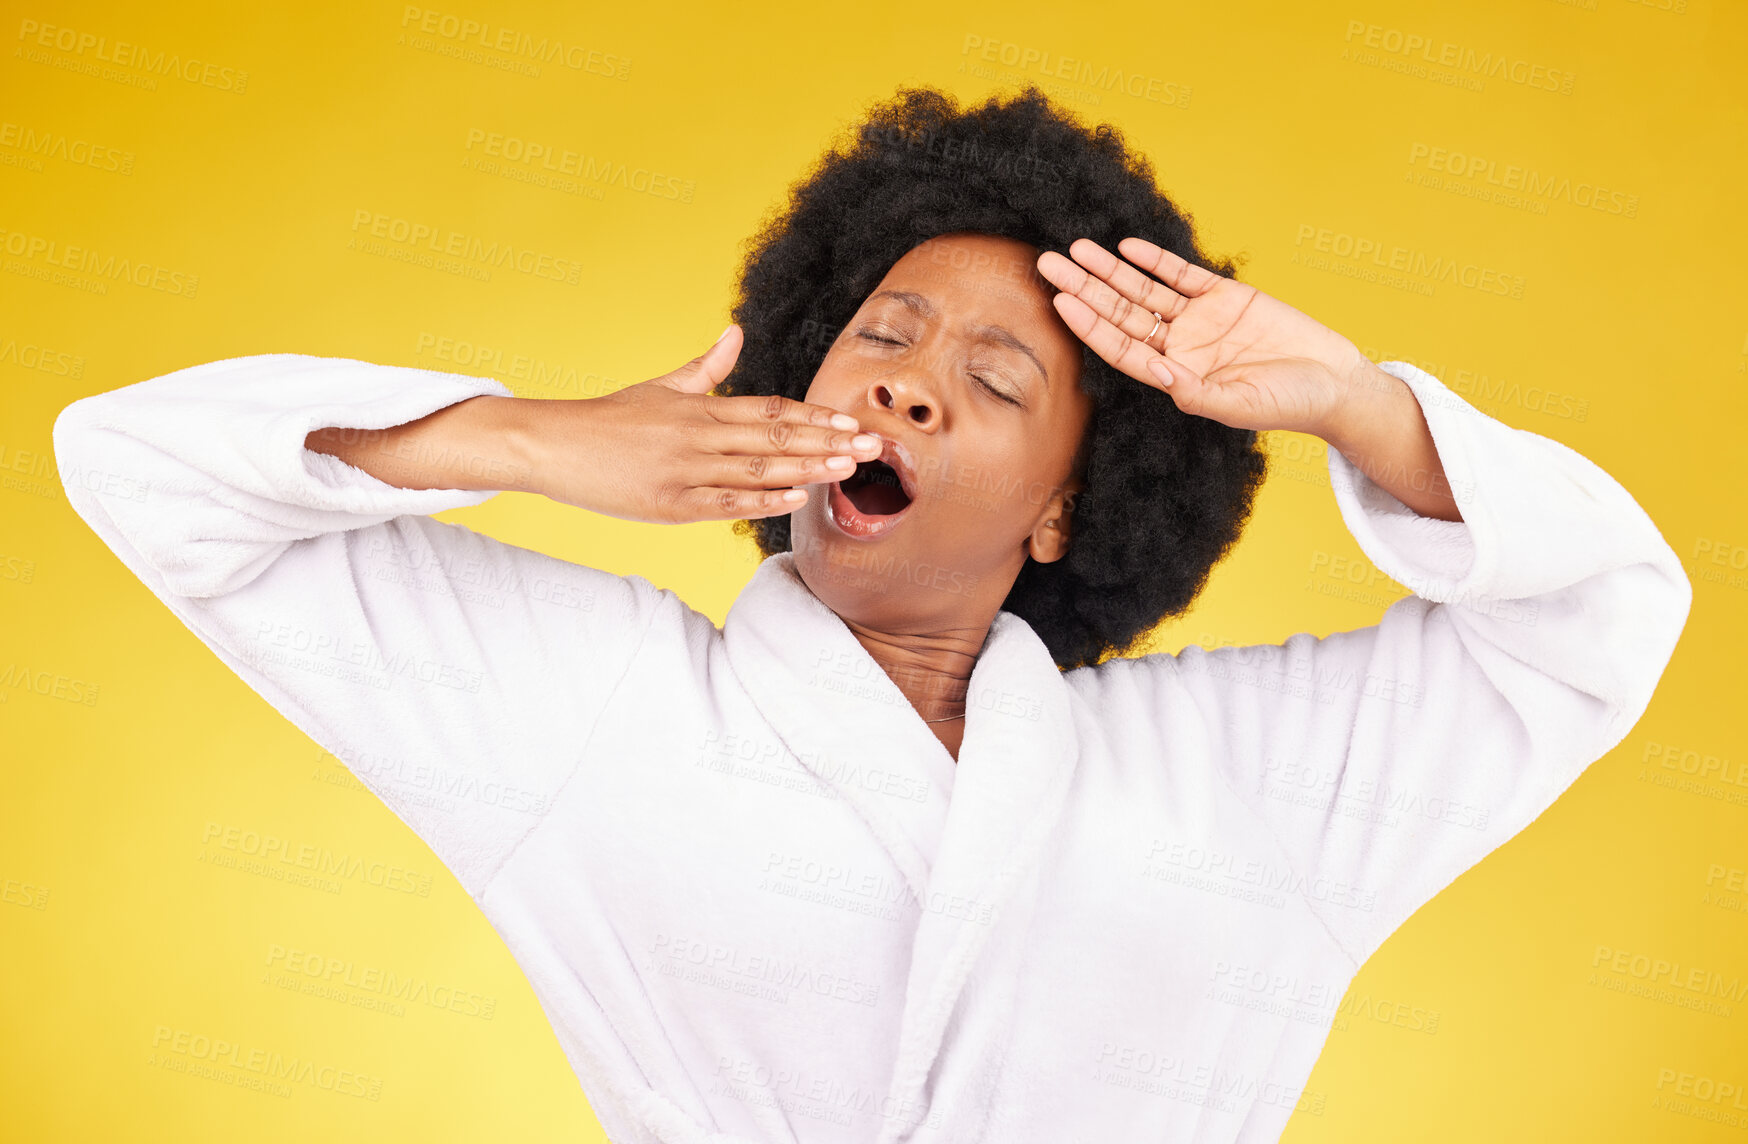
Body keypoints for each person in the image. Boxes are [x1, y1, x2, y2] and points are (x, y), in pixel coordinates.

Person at [55, 86, 1689, 1143]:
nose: (908, 383)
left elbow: (1599, 618)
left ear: (1066, 506)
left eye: (992, 381)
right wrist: (532, 439)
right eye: (881, 339)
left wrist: (1355, 404)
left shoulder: (1234, 783)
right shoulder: (597, 712)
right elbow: (134, 464)